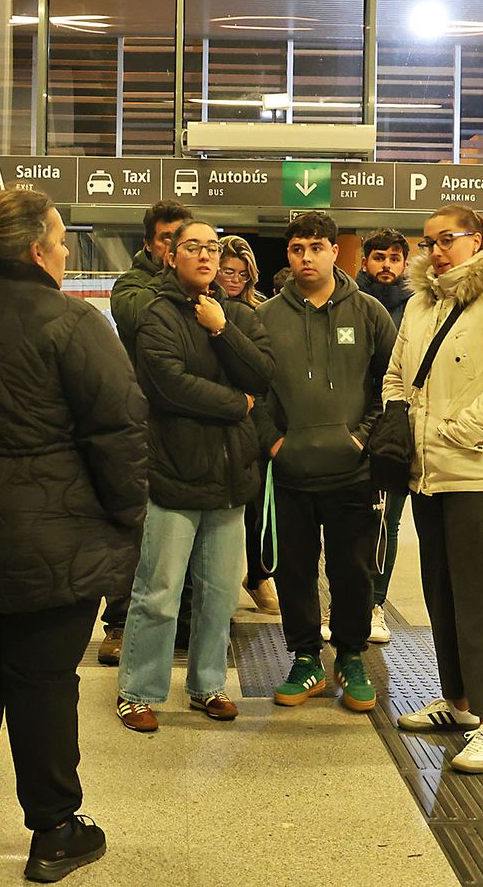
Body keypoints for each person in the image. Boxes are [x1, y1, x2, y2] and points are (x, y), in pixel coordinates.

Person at [0, 189, 147, 882]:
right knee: (42, 680)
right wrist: (128, 513)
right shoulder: (73, 322)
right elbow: (118, 430)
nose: (68, 248)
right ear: (39, 249)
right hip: (52, 533)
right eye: (61, 237)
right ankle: (53, 829)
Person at [385, 206, 483, 775]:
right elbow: (397, 375)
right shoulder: (420, 304)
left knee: (482, 597)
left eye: (446, 239)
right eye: (427, 242)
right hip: (428, 475)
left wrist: (462, 429)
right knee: (443, 594)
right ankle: (458, 702)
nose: (435, 251)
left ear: (476, 241)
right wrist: (399, 422)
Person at [116, 222, 273, 732]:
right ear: (171, 256)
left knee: (219, 594)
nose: (205, 255)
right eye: (193, 247)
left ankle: (208, 685)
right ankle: (138, 691)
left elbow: (263, 376)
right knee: (159, 593)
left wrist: (222, 330)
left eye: (211, 247)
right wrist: (236, 404)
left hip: (230, 476)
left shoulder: (238, 315)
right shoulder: (156, 313)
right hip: (173, 473)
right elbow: (169, 386)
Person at [252, 212, 394, 713]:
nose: (306, 257)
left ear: (336, 252)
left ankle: (351, 657)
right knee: (294, 570)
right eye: (297, 249)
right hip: (290, 471)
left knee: (352, 570)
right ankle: (306, 658)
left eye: (316, 247)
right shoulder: (266, 316)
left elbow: (391, 384)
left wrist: (362, 438)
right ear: (288, 255)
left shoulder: (370, 312)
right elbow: (254, 388)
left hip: (353, 472)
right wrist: (273, 443)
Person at [99, 199, 192, 665]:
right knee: (133, 525)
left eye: (182, 238)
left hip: (190, 421)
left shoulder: (204, 285)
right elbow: (139, 318)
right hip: (141, 422)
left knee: (187, 523)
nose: (174, 247)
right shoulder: (131, 285)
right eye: (166, 239)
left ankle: (184, 621)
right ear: (150, 244)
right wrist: (178, 279)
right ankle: (119, 623)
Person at [355, 227, 412, 642]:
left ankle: (375, 604)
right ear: (365, 261)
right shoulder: (349, 301)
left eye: (394, 258)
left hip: (396, 427)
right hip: (352, 425)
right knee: (345, 520)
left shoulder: (419, 307)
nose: (386, 265)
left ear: (405, 264)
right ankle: (343, 603)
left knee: (387, 521)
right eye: (379, 257)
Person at [218, 233, 279, 616]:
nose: (235, 280)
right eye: (228, 271)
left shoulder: (260, 312)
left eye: (242, 274)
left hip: (257, 418)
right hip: (220, 414)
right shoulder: (202, 308)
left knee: (259, 508)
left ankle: (258, 575)